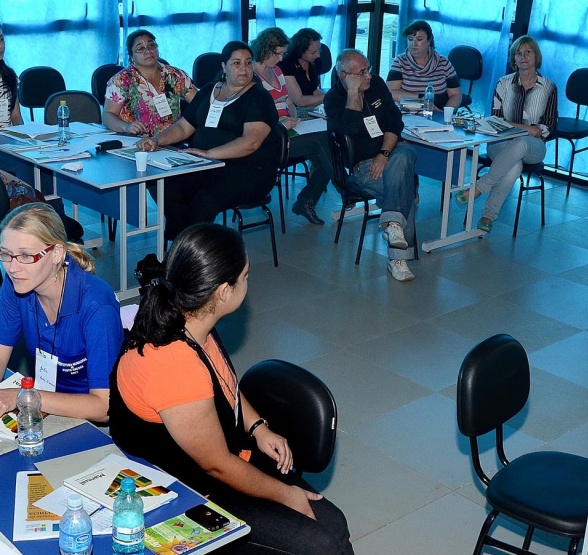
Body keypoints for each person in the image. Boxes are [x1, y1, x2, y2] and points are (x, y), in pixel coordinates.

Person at [109, 223, 354, 555]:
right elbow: (217, 466)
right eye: (246, 276)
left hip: (225, 460)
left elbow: (224, 384)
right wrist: (287, 495)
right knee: (320, 546)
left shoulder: (189, 318)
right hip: (190, 490)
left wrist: (257, 426)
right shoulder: (174, 365)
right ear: (224, 291)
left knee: (335, 524)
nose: (248, 283)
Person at [137, 41, 279, 241]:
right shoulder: (208, 91)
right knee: (166, 186)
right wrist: (156, 140)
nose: (244, 69)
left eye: (248, 63)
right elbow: (183, 127)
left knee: (205, 199)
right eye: (237, 63)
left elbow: (251, 142)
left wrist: (210, 154)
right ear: (224, 66)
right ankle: (181, 245)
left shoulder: (259, 97)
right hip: (206, 165)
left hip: (249, 169)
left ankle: (192, 251)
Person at [0, 204, 122, 422]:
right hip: (46, 404)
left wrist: (25, 396)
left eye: (26, 256)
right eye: (6, 254)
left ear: (56, 253)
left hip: (92, 419)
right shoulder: (16, 284)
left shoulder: (97, 306)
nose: (12, 268)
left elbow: (105, 407)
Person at [325, 49, 418, 282]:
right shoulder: (333, 99)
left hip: (393, 153)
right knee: (405, 189)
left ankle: (393, 223)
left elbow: (395, 123)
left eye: (369, 70)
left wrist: (384, 154)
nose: (369, 76)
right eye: (362, 73)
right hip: (363, 168)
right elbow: (350, 129)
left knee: (404, 155)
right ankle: (397, 257)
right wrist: (353, 93)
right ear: (345, 76)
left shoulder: (376, 84)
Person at [455, 35, 557, 232]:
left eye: (528, 52)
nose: (523, 56)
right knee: (513, 166)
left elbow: (545, 128)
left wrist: (525, 130)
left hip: (534, 147)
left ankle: (479, 188)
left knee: (522, 143)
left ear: (536, 56)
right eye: (518, 53)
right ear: (514, 58)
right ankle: (488, 216)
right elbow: (496, 120)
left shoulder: (549, 87)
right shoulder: (503, 83)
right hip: (499, 143)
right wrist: (527, 128)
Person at [253, 27, 335, 226]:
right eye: (278, 54)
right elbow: (255, 114)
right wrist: (280, 123)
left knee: (327, 144)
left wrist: (295, 119)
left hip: (288, 129)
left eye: (283, 54)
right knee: (321, 144)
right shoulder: (252, 76)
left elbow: (289, 100)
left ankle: (307, 200)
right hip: (270, 136)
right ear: (265, 50)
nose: (281, 59)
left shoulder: (277, 70)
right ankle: (342, 186)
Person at [103, 29, 197, 137]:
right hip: (136, 141)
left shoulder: (175, 75)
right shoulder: (121, 80)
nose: (148, 51)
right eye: (140, 48)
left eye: (151, 45)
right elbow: (107, 116)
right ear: (131, 56)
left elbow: (199, 103)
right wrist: (126, 127)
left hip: (172, 140)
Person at [386, 20, 462, 110]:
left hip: (438, 113)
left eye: (419, 39)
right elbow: (391, 92)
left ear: (429, 40)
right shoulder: (400, 62)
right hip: (408, 113)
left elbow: (456, 94)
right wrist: (422, 100)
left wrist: (445, 113)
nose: (413, 44)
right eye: (410, 39)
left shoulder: (443, 63)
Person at [0, 30, 23, 129]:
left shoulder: (9, 75)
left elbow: (16, 116)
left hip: (7, 136)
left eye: (1, 40)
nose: (0, 46)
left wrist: (22, 133)